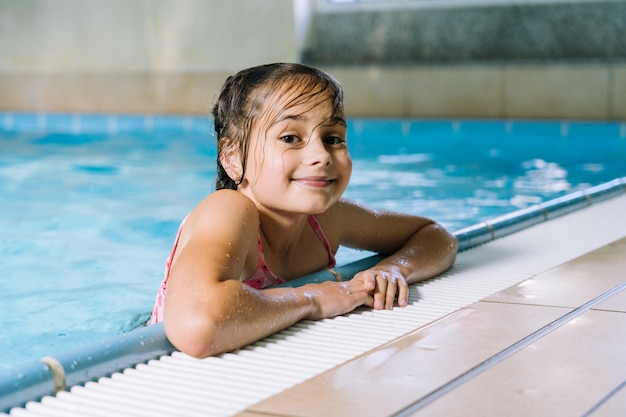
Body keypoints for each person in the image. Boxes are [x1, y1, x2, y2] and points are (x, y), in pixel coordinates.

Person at [148, 63, 458, 358]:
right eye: (290, 138)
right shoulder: (228, 209)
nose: (321, 155)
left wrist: (391, 270)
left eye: (333, 138)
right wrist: (310, 299)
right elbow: (198, 325)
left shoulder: (328, 219)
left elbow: (435, 236)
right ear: (233, 158)